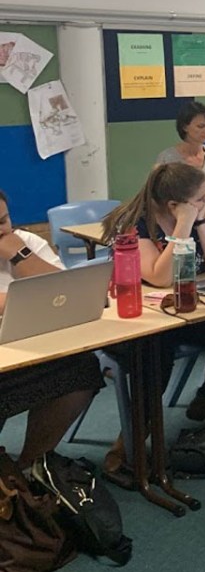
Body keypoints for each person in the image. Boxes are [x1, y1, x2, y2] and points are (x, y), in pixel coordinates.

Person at [101, 163, 205, 430]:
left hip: (189, 307)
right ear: (173, 205)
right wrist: (183, 225)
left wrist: (200, 222)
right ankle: (136, 435)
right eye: (200, 199)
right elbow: (160, 277)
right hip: (142, 319)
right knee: (156, 354)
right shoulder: (133, 223)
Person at [0, 189, 104, 470]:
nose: (1, 230)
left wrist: (20, 256)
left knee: (82, 369)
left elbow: (64, 291)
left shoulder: (26, 243)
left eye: (3, 221)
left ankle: (31, 465)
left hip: (30, 352)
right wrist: (29, 298)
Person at [155, 100, 205, 197]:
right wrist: (202, 199)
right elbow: (160, 195)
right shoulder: (167, 158)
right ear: (185, 127)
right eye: (200, 126)